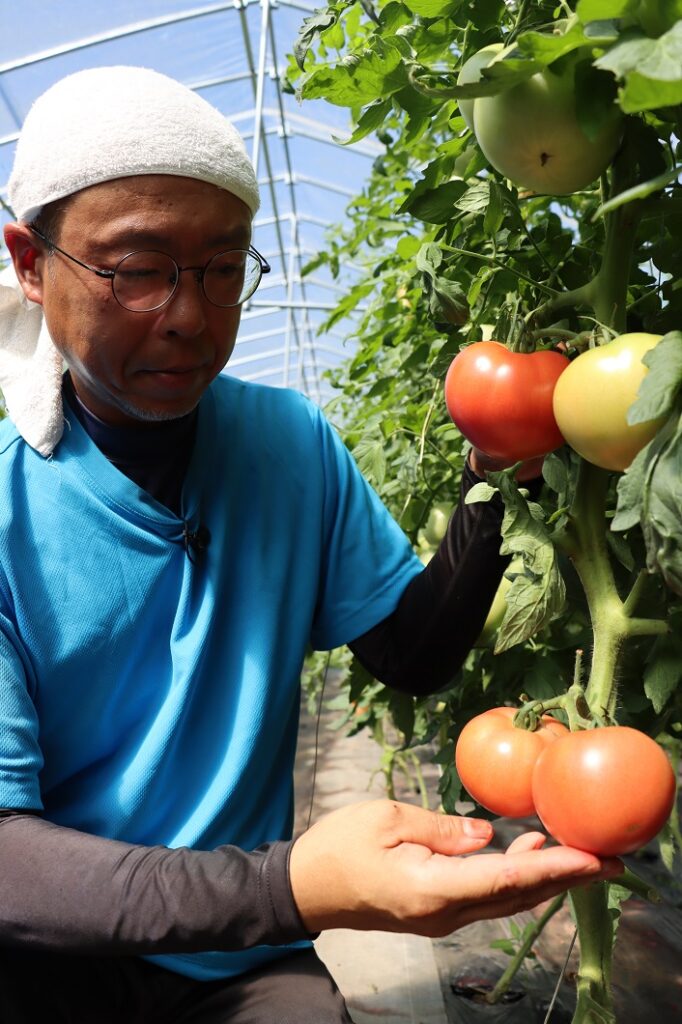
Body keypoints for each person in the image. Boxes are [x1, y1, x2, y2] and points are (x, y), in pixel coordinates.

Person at [0, 66, 620, 1023]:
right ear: (32, 265)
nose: (192, 315)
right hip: (54, 952)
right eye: (136, 269)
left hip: (235, 964)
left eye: (221, 266)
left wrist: (495, 476)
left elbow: (408, 654)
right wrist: (296, 886)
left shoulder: (288, 443)